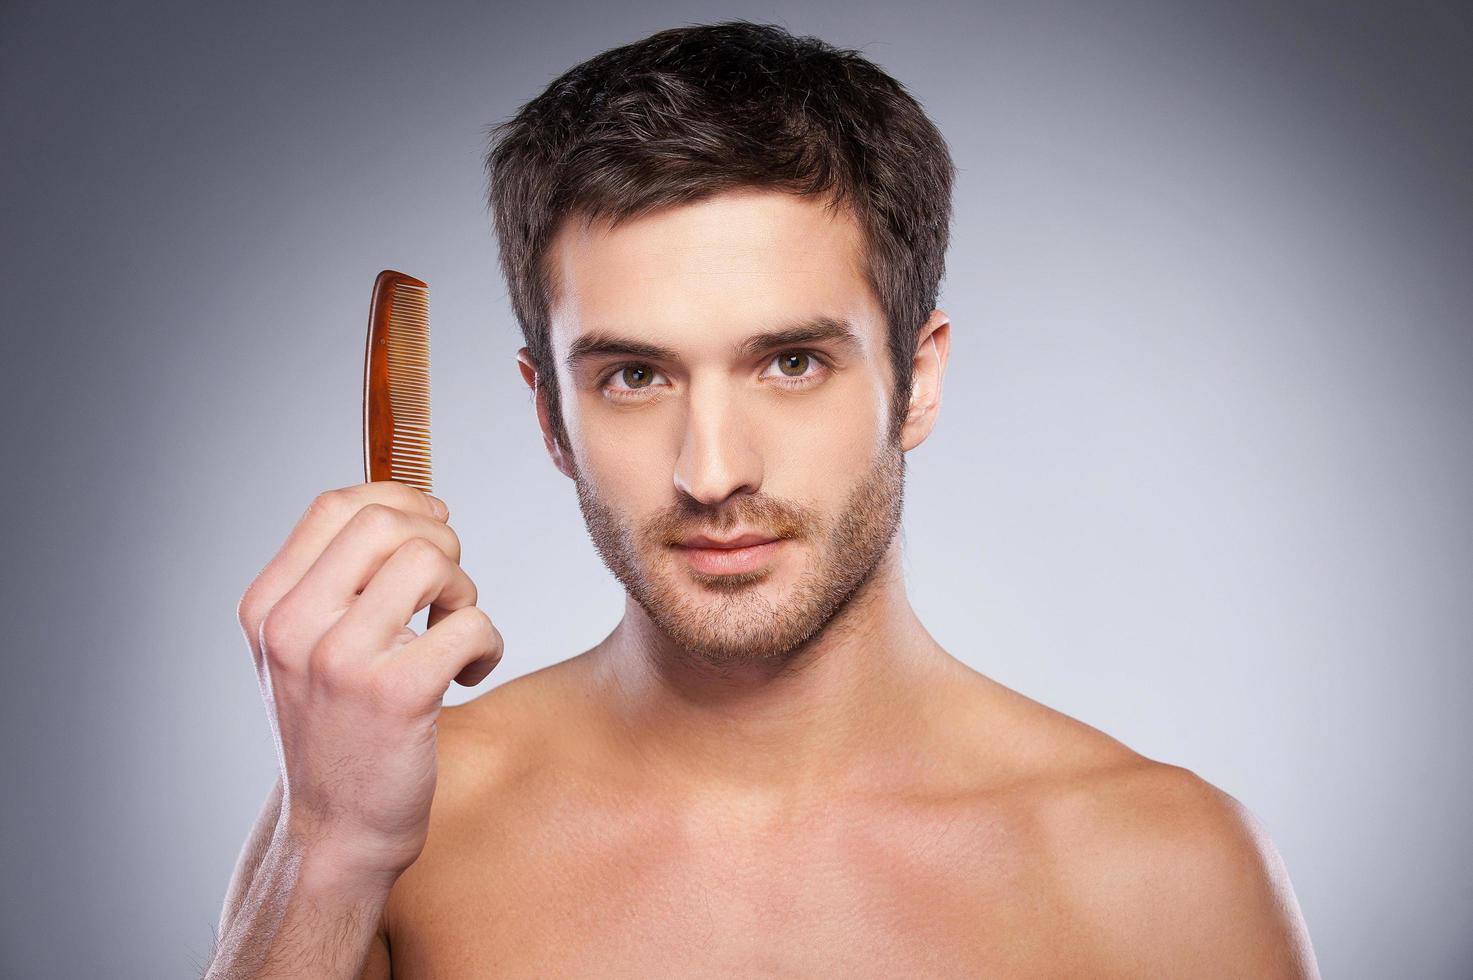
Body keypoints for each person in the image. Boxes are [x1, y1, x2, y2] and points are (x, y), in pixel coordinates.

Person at [206, 20, 1319, 978]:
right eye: (634, 375)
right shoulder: (389, 827)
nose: (711, 469)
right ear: (549, 413)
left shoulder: (1162, 871)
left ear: (916, 378)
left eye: (790, 361)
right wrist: (332, 848)